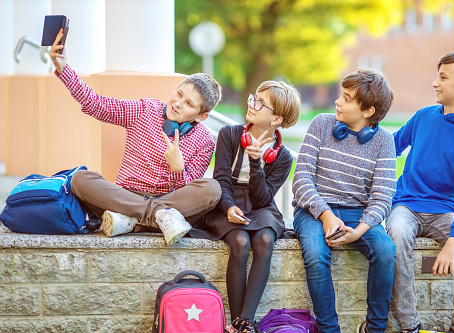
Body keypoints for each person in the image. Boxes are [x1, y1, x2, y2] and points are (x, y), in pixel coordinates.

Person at [49, 29, 222, 245]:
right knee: (80, 179)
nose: (178, 103)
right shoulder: (144, 109)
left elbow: (189, 191)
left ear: (202, 116)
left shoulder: (204, 141)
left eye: (189, 104)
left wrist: (178, 169)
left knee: (212, 189)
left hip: (170, 201)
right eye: (179, 94)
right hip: (127, 196)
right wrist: (63, 69)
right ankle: (155, 217)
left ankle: (131, 221)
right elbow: (96, 104)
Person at [386, 50, 454, 333]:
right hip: (406, 205)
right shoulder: (423, 117)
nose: (435, 83)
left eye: (443, 77)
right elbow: (389, 148)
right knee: (396, 234)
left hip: (445, 211)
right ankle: (409, 326)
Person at [189, 81, 300, 333]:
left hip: (260, 205)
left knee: (264, 239)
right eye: (253, 98)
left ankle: (245, 321)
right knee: (240, 241)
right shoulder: (229, 134)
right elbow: (221, 180)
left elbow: (263, 199)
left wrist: (256, 162)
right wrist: (227, 207)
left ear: (276, 119)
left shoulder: (282, 157)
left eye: (260, 103)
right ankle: (238, 320)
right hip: (226, 199)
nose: (252, 104)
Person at [292, 68, 397, 333]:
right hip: (313, 211)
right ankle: (330, 330)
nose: (338, 101)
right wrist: (326, 214)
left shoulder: (384, 141)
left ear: (368, 111)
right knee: (316, 254)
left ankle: (375, 329)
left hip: (357, 214)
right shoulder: (321, 124)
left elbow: (383, 196)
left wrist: (360, 230)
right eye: (341, 95)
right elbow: (301, 180)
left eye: (347, 99)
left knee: (385, 251)